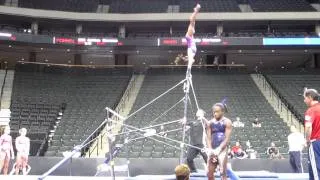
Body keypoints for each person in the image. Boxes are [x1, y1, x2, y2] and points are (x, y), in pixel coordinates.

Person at [206, 103, 232, 180]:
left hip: (222, 150)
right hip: (213, 150)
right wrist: (210, 149)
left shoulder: (227, 122)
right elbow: (208, 138)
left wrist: (219, 149)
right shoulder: (210, 123)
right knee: (209, 173)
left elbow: (227, 138)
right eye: (214, 112)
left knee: (223, 173)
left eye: (217, 111)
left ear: (222, 112)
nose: (215, 113)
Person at [303, 88, 320, 180]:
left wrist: (307, 140)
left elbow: (308, 127)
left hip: (316, 142)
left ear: (310, 97)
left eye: (305, 98)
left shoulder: (311, 110)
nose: (304, 100)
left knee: (315, 169)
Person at [185, 4, 201, 68]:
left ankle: (196, 11)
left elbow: (190, 59)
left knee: (192, 21)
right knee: (192, 21)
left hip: (191, 44)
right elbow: (191, 59)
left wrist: (188, 58)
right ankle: (196, 10)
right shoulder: (191, 55)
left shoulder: (192, 55)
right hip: (189, 39)